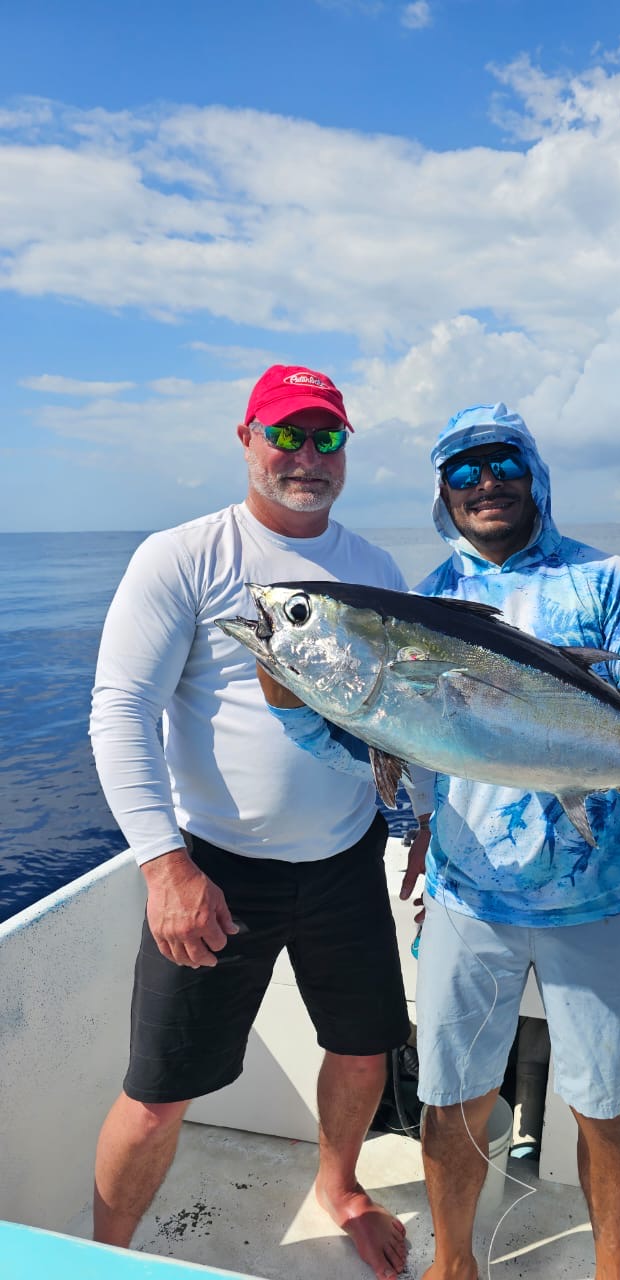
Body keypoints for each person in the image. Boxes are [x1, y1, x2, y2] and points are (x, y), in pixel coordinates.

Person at [262, 401, 620, 1280]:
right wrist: (294, 706)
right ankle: (454, 1265)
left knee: (603, 1106)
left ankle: (611, 1272)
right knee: (450, 1102)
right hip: (467, 894)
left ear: (534, 475)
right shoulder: (425, 601)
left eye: (503, 464)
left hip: (598, 897)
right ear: (444, 490)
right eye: (465, 470)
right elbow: (383, 738)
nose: (487, 483)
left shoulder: (608, 581)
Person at [88, 365, 412, 1280]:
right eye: (288, 435)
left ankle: (339, 1185)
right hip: (213, 867)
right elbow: (119, 710)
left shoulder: (374, 569)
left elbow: (391, 725)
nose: (307, 456)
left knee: (362, 1047)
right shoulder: (184, 556)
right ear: (246, 438)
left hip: (349, 857)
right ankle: (104, 1257)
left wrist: (413, 821)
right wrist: (164, 869)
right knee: (157, 1094)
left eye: (328, 439)